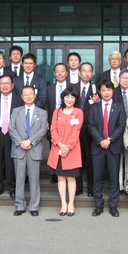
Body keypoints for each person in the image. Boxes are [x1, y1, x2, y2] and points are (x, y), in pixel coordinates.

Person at [88, 80, 126, 217]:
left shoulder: (119, 106)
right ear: (99, 92)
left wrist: (109, 139)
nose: (106, 93)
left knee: (114, 178)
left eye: (109, 90)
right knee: (97, 177)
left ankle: (113, 206)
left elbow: (121, 126)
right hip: (97, 147)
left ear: (113, 91)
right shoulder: (94, 107)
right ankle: (98, 205)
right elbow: (91, 125)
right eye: (103, 90)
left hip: (113, 146)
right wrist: (101, 140)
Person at [9, 86, 48, 216]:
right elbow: (11, 128)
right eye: (25, 95)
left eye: (31, 94)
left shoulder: (42, 113)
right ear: (22, 97)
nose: (28, 96)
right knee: (19, 179)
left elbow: (42, 130)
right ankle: (19, 206)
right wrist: (21, 142)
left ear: (35, 95)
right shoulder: (16, 111)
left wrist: (30, 141)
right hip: (19, 149)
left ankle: (34, 207)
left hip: (34, 149)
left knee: (34, 179)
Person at [47, 87, 84, 216]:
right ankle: (63, 203)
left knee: (71, 178)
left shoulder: (78, 112)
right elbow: (53, 129)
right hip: (58, 148)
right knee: (61, 177)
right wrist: (60, 144)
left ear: (76, 99)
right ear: (63, 98)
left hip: (71, 150)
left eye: (72, 97)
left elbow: (76, 131)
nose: (69, 99)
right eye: (67, 97)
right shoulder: (57, 112)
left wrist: (67, 147)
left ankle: (71, 203)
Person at [0, 74, 23, 198]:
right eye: (2, 83)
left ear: (12, 85)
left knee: (11, 162)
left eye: (7, 83)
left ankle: (12, 187)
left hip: (13, 135)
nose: (5, 86)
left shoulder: (19, 100)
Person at [71, 62, 101, 197]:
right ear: (79, 73)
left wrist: (98, 101)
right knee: (76, 158)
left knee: (90, 159)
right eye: (84, 71)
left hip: (90, 128)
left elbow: (101, 108)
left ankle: (91, 187)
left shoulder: (96, 89)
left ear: (92, 74)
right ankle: (77, 187)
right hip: (74, 128)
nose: (86, 73)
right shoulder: (73, 87)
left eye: (89, 71)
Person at [46, 63, 69, 183]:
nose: (60, 73)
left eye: (62, 71)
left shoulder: (72, 88)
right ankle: (54, 174)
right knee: (54, 147)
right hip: (53, 123)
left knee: (67, 148)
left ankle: (66, 171)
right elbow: (46, 106)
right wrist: (46, 122)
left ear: (66, 73)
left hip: (68, 124)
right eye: (57, 71)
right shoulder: (49, 88)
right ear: (54, 74)